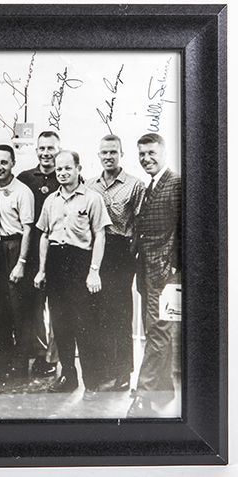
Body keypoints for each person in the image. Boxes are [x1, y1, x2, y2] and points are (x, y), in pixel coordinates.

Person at [34, 150, 111, 400]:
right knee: (60, 324)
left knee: (85, 324)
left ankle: (92, 381)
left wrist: (94, 272)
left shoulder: (93, 198)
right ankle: (68, 376)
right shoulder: (51, 201)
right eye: (59, 169)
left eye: (68, 168)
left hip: (80, 263)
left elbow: (100, 235)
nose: (63, 173)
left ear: (78, 168)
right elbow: (45, 235)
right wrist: (42, 270)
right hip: (56, 264)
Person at [127, 133, 181, 417]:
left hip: (165, 273)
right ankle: (164, 391)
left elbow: (185, 227)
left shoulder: (176, 183)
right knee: (156, 330)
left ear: (164, 153)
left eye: (151, 153)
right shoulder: (148, 185)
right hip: (147, 270)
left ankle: (144, 395)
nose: (146, 158)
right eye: (142, 154)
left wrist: (174, 266)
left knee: (158, 331)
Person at [86, 134, 146, 392]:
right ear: (98, 155)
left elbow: (140, 223)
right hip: (95, 251)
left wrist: (132, 252)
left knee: (120, 313)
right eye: (104, 152)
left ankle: (123, 373)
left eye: (113, 152)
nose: (108, 156)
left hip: (121, 252)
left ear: (121, 154)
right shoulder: (89, 184)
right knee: (97, 312)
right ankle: (104, 369)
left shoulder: (135, 185)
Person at [0, 144, 35, 379]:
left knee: (19, 309)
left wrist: (21, 262)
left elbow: (28, 230)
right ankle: (3, 358)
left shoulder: (23, 191)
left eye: (4, 162)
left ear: (13, 164)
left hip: (15, 247)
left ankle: (20, 363)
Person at [17, 131, 61, 378]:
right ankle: (38, 352)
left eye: (50, 148)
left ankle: (52, 359)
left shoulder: (66, 175)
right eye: (42, 148)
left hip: (58, 254)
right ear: (36, 151)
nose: (46, 153)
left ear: (58, 149)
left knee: (56, 309)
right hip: (31, 254)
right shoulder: (24, 178)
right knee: (32, 308)